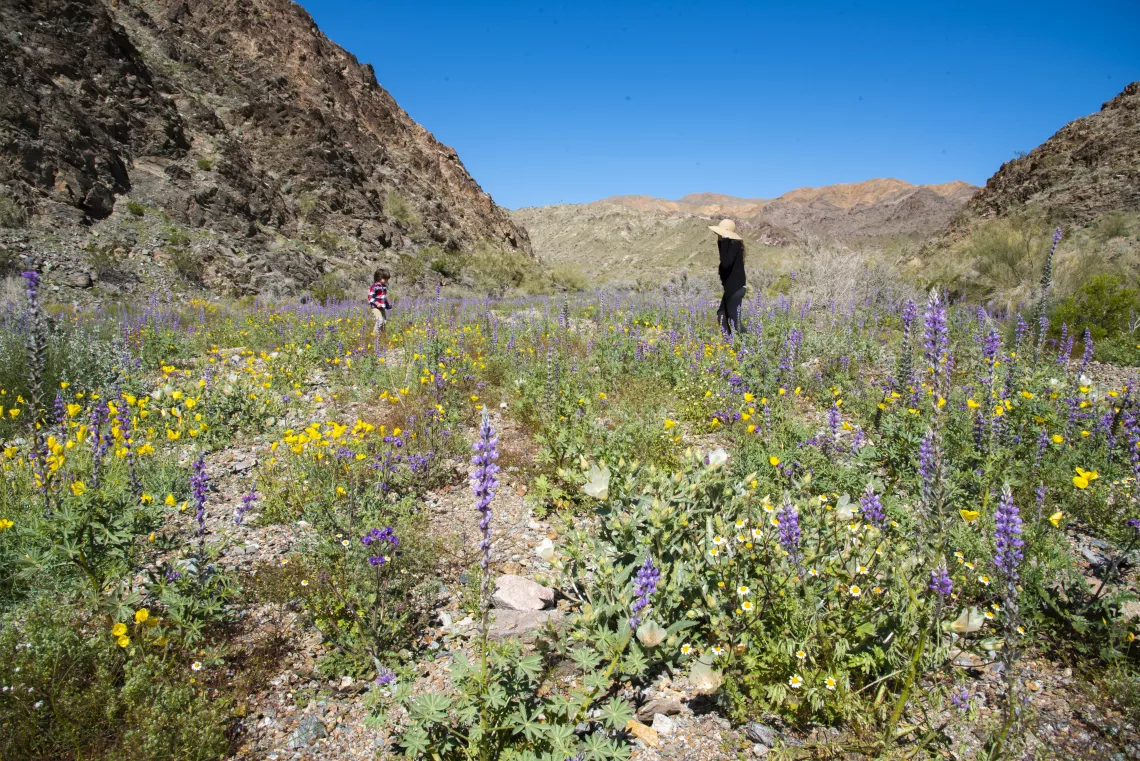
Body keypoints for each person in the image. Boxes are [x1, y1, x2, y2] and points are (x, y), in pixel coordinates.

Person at [709, 219, 746, 335]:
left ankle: (749, 343)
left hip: (735, 289)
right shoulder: (730, 245)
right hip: (731, 289)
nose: (717, 236)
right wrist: (722, 243)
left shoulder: (733, 246)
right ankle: (728, 342)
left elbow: (726, 263)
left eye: (719, 234)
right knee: (721, 316)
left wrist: (723, 242)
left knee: (735, 321)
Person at [368, 268, 392, 344]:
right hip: (375, 307)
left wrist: (388, 305)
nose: (386, 280)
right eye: (385, 279)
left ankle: (383, 337)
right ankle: (375, 337)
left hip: (382, 307)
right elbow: (370, 298)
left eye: (387, 279)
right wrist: (376, 303)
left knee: (384, 322)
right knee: (379, 321)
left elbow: (384, 298)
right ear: (379, 277)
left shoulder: (384, 287)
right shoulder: (374, 287)